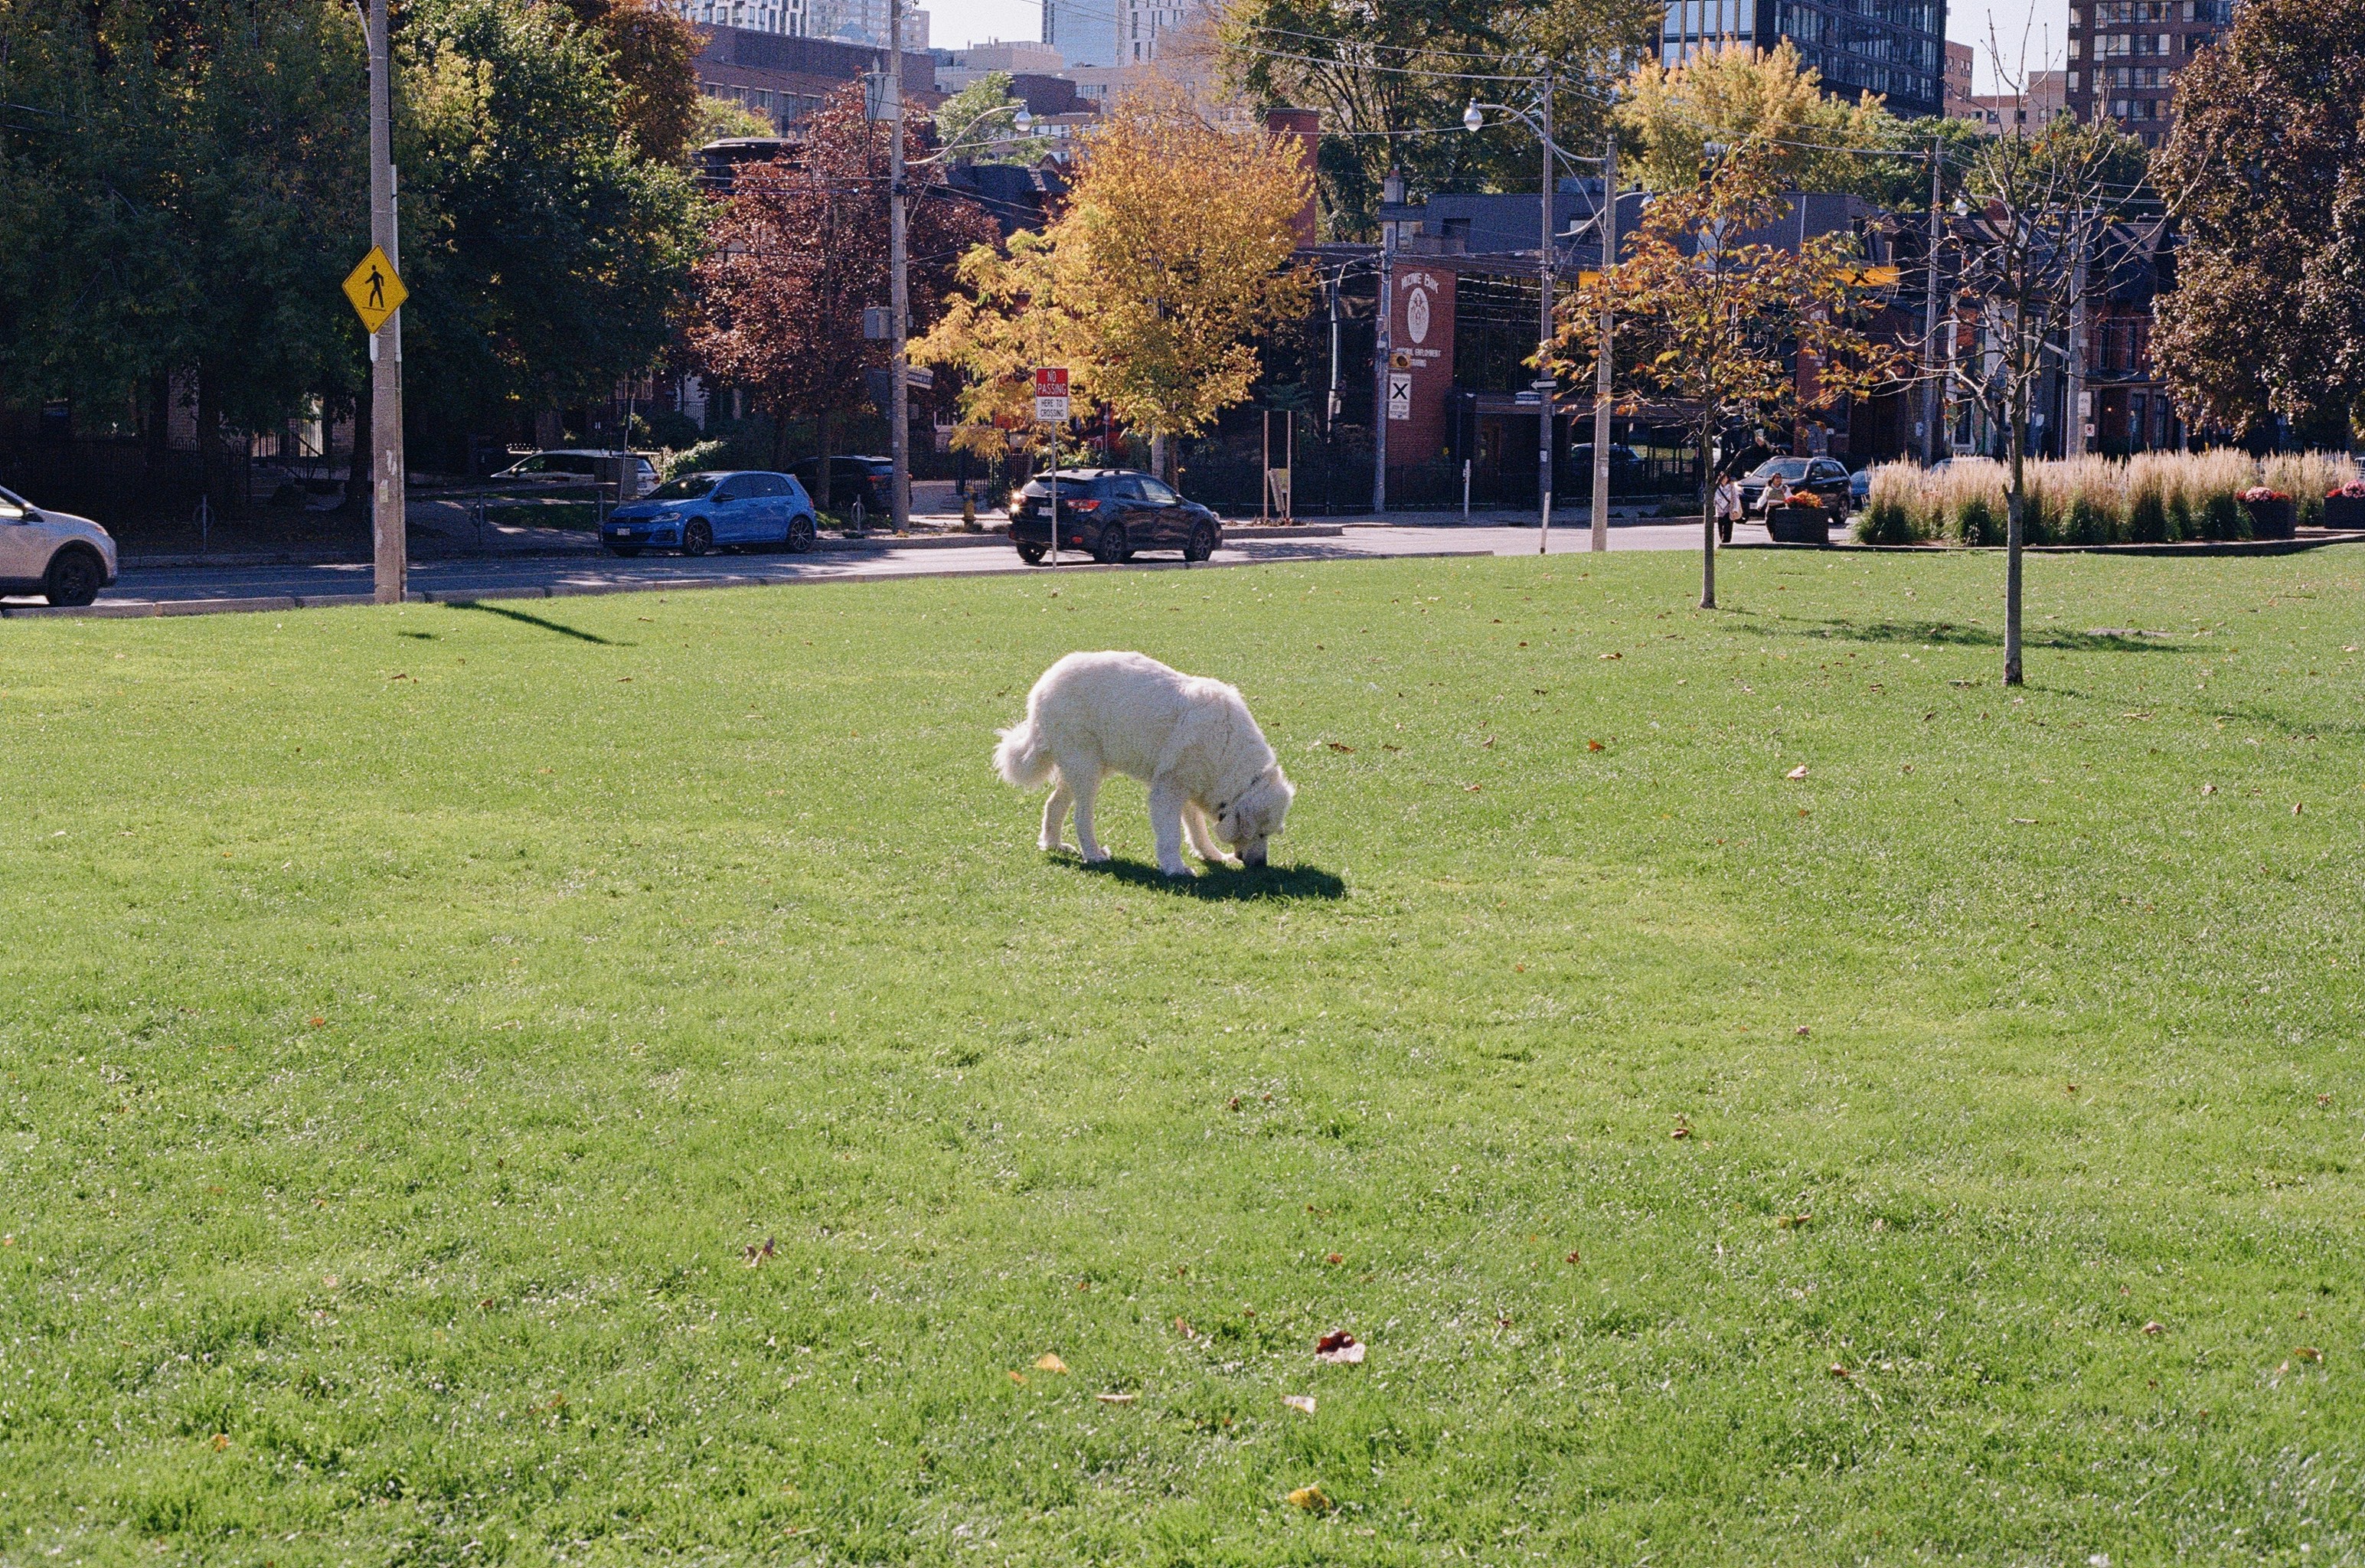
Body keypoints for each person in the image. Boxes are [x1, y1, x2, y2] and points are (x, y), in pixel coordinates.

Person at [1713, 472, 1742, 544]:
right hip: (1719, 511)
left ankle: (1726, 542)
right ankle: (1723, 541)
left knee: (1727, 527)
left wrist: (1735, 509)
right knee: (1720, 528)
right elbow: (1713, 499)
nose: (1724, 479)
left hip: (1729, 510)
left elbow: (1736, 498)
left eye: (1725, 477)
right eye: (1722, 477)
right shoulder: (1716, 487)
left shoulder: (1732, 487)